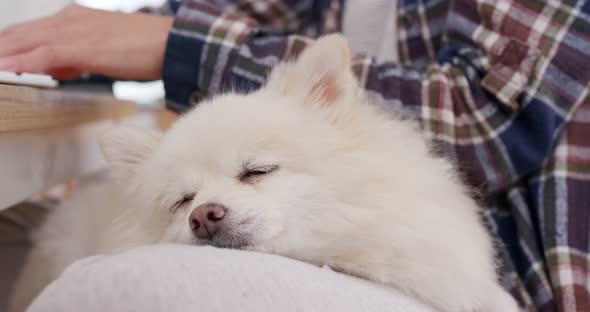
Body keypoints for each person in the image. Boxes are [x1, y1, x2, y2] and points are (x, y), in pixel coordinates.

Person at [0, 1, 588, 311]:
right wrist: (74, 47)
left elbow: (484, 116)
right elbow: (213, 13)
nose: (207, 210)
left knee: (106, 291)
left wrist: (171, 45)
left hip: (520, 276)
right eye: (185, 202)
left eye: (255, 173)